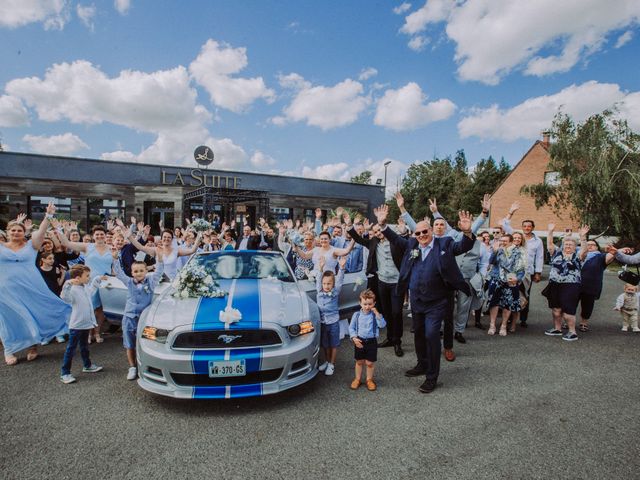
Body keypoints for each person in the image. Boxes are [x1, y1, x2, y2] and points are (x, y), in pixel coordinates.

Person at [374, 204, 475, 394]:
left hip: (437, 303)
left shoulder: (444, 244)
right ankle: (422, 364)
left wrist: (468, 232)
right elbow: (395, 239)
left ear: (431, 230)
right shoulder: (412, 244)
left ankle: (431, 376)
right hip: (417, 302)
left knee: (431, 335)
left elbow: (462, 246)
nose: (421, 236)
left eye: (424, 232)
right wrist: (383, 224)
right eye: (418, 233)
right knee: (419, 335)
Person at [0, 205, 71, 365]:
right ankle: (9, 350)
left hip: (29, 287)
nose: (16, 233)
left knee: (31, 316)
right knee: (7, 319)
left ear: (23, 232)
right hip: (5, 290)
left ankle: (32, 347)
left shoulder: (31, 246)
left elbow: (40, 232)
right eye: (13, 231)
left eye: (19, 230)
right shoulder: (1, 247)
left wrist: (48, 215)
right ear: (7, 232)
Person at [348, 216, 404, 356]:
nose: (378, 233)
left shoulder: (395, 242)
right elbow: (359, 239)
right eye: (376, 232)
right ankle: (390, 338)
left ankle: (397, 342)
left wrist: (403, 231)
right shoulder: (374, 242)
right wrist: (349, 225)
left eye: (380, 230)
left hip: (397, 282)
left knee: (396, 312)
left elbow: (407, 242)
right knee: (386, 311)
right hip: (382, 282)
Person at [112, 244, 165, 380]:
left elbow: (159, 271)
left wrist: (159, 258)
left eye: (141, 270)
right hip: (130, 317)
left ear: (146, 271)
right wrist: (115, 259)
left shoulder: (151, 282)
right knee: (129, 343)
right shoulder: (129, 282)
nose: (138, 273)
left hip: (146, 318)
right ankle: (132, 367)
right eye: (136, 271)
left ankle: (146, 366)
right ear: (132, 272)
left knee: (146, 342)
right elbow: (119, 273)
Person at [59, 265, 105, 384]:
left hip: (86, 324)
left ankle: (87, 365)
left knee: (84, 347)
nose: (89, 278)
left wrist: (97, 279)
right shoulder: (72, 290)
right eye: (87, 276)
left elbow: (92, 289)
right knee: (71, 349)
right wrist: (68, 283)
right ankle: (65, 373)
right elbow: (64, 297)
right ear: (78, 278)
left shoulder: (84, 287)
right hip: (76, 325)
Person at [543, 224, 589, 342]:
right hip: (555, 284)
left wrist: (582, 237)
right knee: (556, 309)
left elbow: (584, 250)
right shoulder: (556, 254)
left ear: (575, 247)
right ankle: (557, 329)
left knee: (568, 310)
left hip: (571, 285)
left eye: (571, 244)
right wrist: (550, 232)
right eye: (566, 244)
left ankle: (572, 332)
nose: (568, 246)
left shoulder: (578, 256)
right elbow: (549, 244)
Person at [502, 203, 545, 328]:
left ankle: (523, 319)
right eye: (524, 226)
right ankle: (509, 318)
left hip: (527, 273)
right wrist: (511, 212)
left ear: (532, 228)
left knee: (525, 294)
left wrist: (538, 273)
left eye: (529, 226)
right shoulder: (517, 236)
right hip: (512, 271)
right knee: (511, 293)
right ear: (522, 227)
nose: (526, 228)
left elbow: (540, 257)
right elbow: (504, 225)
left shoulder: (537, 241)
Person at [486, 234, 527, 336]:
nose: (502, 243)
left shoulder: (518, 252)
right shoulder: (497, 250)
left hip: (511, 279)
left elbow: (521, 268)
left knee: (508, 303)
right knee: (494, 302)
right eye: (501, 240)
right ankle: (492, 325)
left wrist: (518, 278)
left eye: (505, 241)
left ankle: (504, 326)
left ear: (511, 242)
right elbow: (491, 262)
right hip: (496, 278)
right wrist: (495, 251)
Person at [348, 289, 386, 391]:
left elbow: (382, 325)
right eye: (365, 304)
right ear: (360, 303)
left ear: (374, 303)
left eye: (370, 304)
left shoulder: (375, 315)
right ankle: (357, 379)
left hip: (371, 341)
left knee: (369, 363)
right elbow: (351, 328)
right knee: (359, 361)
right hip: (359, 341)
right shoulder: (356, 315)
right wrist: (354, 338)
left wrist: (377, 313)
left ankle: (369, 380)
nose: (367, 306)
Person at [315, 255, 347, 376]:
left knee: (333, 344)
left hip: (333, 322)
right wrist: (321, 268)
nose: (326, 286)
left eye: (329, 284)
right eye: (324, 283)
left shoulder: (335, 292)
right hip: (323, 322)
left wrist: (342, 267)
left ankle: (332, 364)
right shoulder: (319, 291)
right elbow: (319, 278)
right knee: (325, 344)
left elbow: (339, 280)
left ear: (332, 284)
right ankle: (327, 361)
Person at [577, 239, 615, 331]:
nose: (590, 246)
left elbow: (610, 256)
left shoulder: (601, 257)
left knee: (587, 305)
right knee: (570, 303)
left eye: (592, 245)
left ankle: (584, 323)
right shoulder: (577, 255)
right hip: (575, 284)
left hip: (591, 285)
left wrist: (613, 251)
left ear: (597, 247)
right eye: (588, 244)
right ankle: (568, 321)